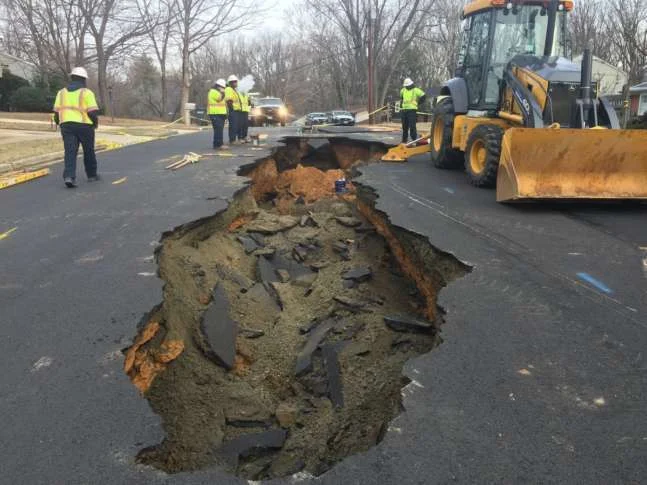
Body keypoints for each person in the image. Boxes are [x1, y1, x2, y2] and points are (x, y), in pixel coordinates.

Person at [52, 67, 100, 188]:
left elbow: (56, 113)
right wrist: (95, 123)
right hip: (84, 125)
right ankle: (92, 175)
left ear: (72, 78)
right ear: (84, 79)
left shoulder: (61, 93)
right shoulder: (87, 92)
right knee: (88, 150)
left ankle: (69, 176)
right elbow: (92, 112)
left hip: (66, 125)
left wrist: (60, 123)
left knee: (70, 152)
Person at [400, 78, 426, 143]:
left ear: (411, 84)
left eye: (407, 85)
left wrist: (418, 103)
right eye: (406, 86)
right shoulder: (403, 90)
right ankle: (404, 141)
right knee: (404, 127)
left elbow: (424, 96)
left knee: (412, 126)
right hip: (404, 110)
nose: (406, 86)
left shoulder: (416, 90)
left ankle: (414, 140)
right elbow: (401, 97)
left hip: (412, 111)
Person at [207, 78, 228, 149]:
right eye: (223, 87)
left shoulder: (218, 92)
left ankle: (217, 144)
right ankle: (219, 145)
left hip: (220, 114)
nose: (223, 89)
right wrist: (223, 93)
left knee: (219, 129)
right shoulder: (213, 92)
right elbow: (219, 99)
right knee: (218, 129)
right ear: (218, 86)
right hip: (215, 113)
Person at [224, 75, 243, 145]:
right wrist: (231, 109)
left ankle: (233, 139)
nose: (236, 83)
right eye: (235, 82)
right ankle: (232, 140)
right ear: (231, 83)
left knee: (236, 125)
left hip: (236, 110)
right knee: (233, 126)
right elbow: (229, 100)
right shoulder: (229, 89)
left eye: (236, 82)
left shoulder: (233, 90)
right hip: (233, 110)